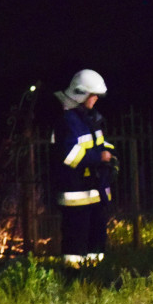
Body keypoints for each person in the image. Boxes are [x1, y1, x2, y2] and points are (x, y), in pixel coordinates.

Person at [52, 69, 117, 265]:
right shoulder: (67, 122)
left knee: (96, 240)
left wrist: (111, 159)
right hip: (75, 194)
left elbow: (101, 144)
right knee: (75, 242)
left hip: (94, 191)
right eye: (93, 95)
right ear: (81, 94)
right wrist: (99, 158)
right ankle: (73, 278)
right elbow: (70, 156)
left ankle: (95, 276)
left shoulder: (91, 119)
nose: (95, 99)